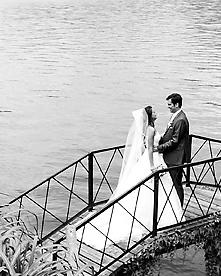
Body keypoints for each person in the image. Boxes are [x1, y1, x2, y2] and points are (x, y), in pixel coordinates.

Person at [75, 106, 183, 251]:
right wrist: (152, 166)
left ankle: (157, 218)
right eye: (155, 112)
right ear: (150, 116)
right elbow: (150, 149)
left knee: (155, 191)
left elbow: (148, 146)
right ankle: (151, 220)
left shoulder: (151, 127)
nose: (157, 113)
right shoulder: (150, 130)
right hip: (152, 161)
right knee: (148, 192)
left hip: (157, 158)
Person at [155, 93, 190, 204]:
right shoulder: (176, 116)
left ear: (177, 104)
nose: (168, 106)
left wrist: (159, 148)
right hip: (171, 156)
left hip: (175, 158)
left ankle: (178, 207)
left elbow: (175, 141)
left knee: (176, 184)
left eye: (170, 104)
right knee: (172, 183)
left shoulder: (180, 120)